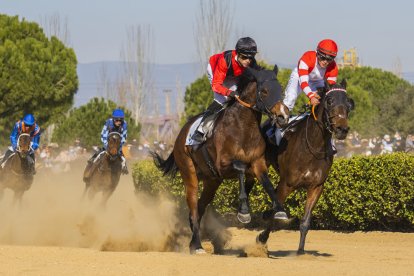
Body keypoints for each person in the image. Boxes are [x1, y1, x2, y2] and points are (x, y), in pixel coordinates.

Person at [191, 37, 262, 143]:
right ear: (238, 53)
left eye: (251, 58)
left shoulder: (251, 62)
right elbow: (216, 85)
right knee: (222, 99)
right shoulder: (225, 61)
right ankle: (201, 129)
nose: (248, 61)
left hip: (234, 74)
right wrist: (229, 92)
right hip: (215, 71)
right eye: (245, 57)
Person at [283, 39, 339, 111]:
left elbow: (329, 88)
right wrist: (311, 96)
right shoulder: (308, 57)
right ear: (318, 53)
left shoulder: (333, 67)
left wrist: (319, 95)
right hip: (299, 77)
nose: (325, 62)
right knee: (291, 98)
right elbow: (303, 82)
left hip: (317, 81)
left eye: (329, 59)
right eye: (323, 57)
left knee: (324, 99)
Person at [86, 109, 128, 175]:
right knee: (98, 153)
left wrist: (118, 147)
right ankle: (91, 163)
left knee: (123, 158)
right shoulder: (108, 122)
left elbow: (124, 137)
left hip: (117, 145)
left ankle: (124, 168)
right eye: (117, 120)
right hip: (108, 143)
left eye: (120, 120)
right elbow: (103, 135)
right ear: (113, 119)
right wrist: (107, 146)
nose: (119, 122)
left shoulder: (124, 124)